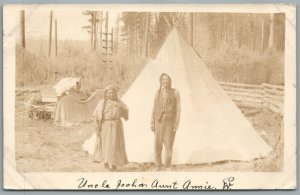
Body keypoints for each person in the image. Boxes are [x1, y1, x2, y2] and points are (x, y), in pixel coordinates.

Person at [93, 85, 129, 171]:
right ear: (106, 94)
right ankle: (106, 162)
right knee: (107, 144)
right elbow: (96, 116)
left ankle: (113, 163)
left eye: (113, 92)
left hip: (117, 125)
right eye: (109, 93)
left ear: (115, 93)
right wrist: (97, 128)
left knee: (115, 145)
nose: (111, 94)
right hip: (106, 125)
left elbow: (126, 112)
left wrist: (121, 107)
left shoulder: (119, 102)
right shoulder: (102, 103)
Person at [151, 73, 181, 171]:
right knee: (157, 144)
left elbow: (178, 109)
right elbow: (154, 108)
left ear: (170, 81)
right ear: (160, 81)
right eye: (163, 80)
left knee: (168, 144)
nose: (165, 82)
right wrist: (152, 122)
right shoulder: (157, 92)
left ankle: (167, 166)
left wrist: (176, 124)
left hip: (169, 121)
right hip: (158, 121)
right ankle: (158, 165)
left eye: (167, 80)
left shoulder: (175, 92)